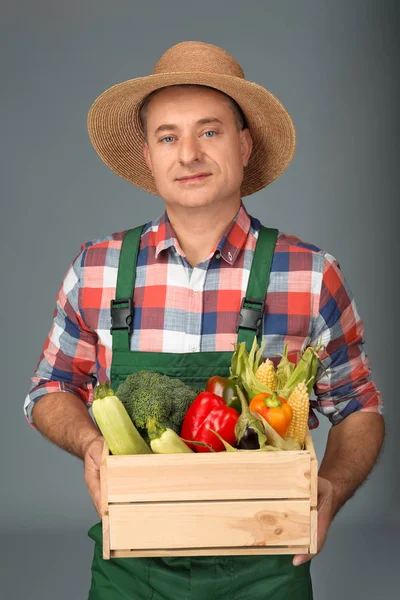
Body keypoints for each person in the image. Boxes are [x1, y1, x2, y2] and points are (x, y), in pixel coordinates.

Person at [24, 41, 385, 600]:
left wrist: (330, 490)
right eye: (168, 136)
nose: (187, 153)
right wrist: (92, 444)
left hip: (266, 566)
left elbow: (359, 409)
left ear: (244, 145)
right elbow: (50, 390)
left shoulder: (311, 274)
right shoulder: (96, 269)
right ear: (148, 156)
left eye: (209, 131)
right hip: (132, 570)